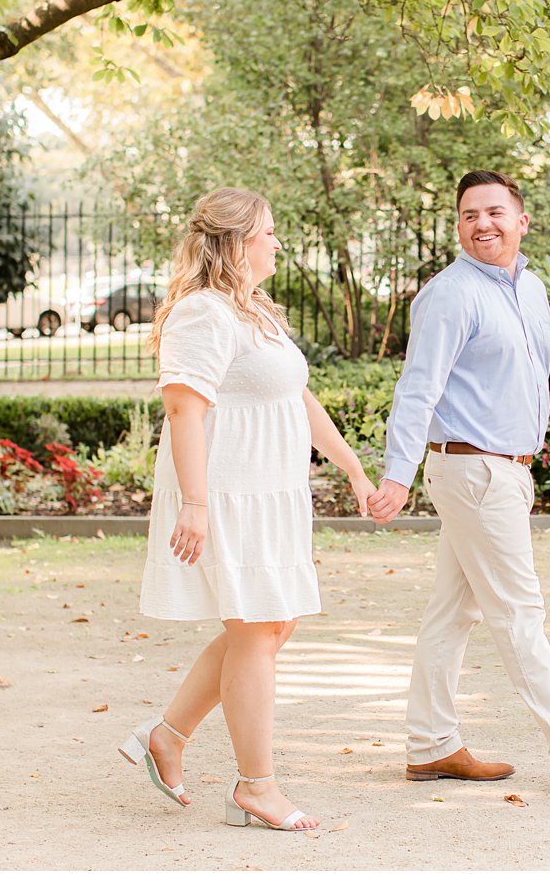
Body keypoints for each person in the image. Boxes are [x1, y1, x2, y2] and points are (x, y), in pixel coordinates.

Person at [366, 170, 550, 791]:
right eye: (470, 215)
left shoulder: (532, 290)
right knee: (518, 611)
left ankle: (431, 744)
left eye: (495, 213)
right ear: (458, 226)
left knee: (453, 613)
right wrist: (397, 474)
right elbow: (417, 389)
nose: (483, 224)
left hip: (506, 470)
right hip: (472, 470)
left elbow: (532, 381)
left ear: (521, 221)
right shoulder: (449, 295)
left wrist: (529, 449)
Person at [118, 187, 375, 832]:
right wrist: (196, 504)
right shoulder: (203, 313)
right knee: (259, 629)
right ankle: (255, 786)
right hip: (228, 493)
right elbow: (183, 409)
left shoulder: (252, 308)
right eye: (267, 232)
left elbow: (298, 397)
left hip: (271, 492)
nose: (278, 243)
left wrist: (351, 466)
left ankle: (168, 735)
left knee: (268, 627)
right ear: (235, 242)